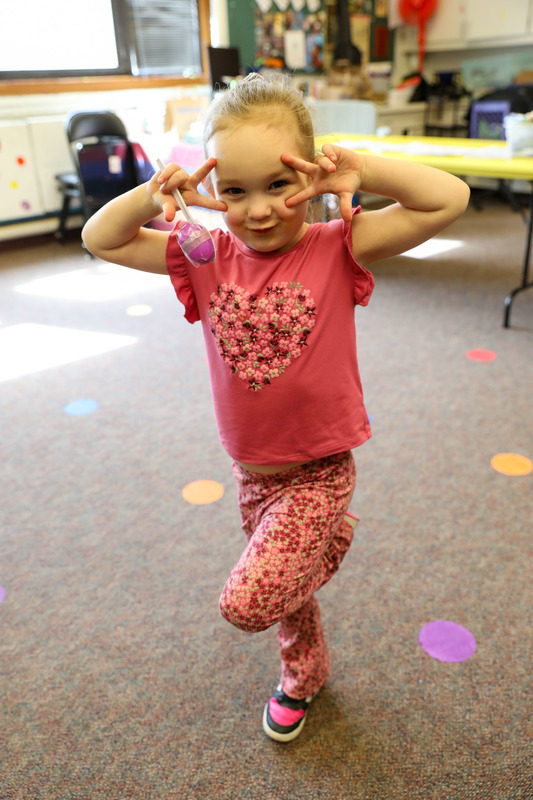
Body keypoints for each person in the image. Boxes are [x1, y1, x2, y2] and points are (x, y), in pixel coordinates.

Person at [82, 74, 470, 743]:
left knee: (248, 602)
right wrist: (150, 194)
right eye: (234, 190)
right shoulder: (204, 254)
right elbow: (102, 238)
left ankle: (333, 531)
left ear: (309, 176)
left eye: (278, 185)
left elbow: (448, 201)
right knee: (292, 593)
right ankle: (302, 676)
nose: (258, 210)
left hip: (320, 468)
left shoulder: (336, 243)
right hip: (252, 472)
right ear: (212, 187)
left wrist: (361, 170)